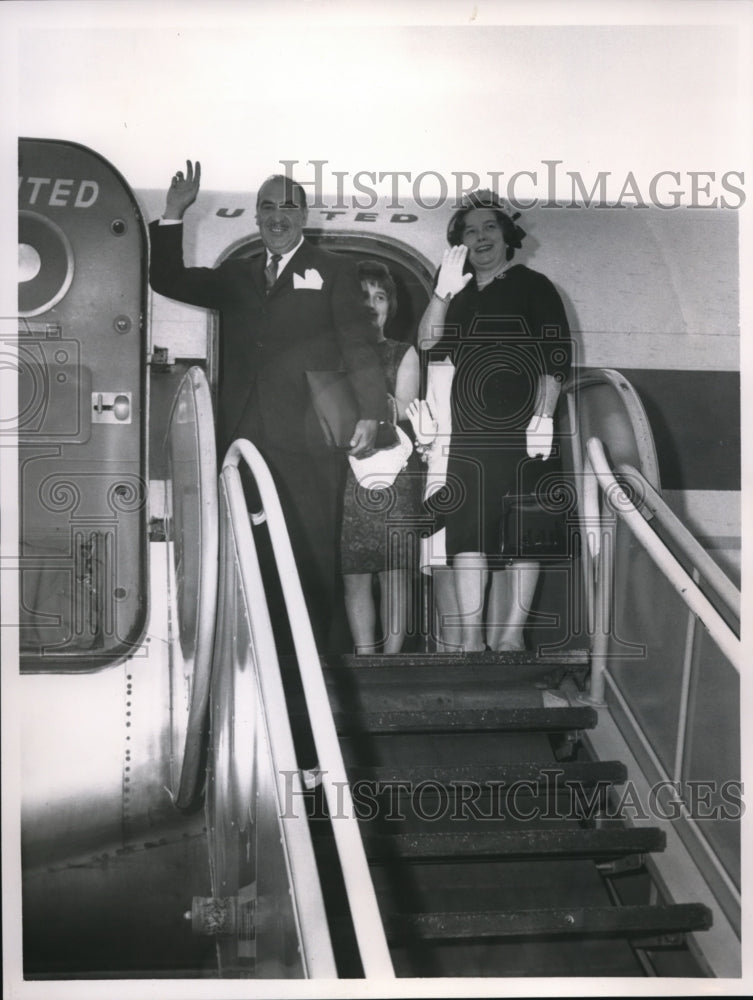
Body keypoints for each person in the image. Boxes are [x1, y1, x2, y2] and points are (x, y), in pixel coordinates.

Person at [149, 161, 389, 648]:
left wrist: (370, 410)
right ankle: (258, 646)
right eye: (267, 207)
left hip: (308, 433)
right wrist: (174, 213)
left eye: (287, 207)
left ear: (304, 215)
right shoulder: (235, 274)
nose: (277, 216)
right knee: (248, 538)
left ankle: (312, 650)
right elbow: (167, 279)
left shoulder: (334, 271)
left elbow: (358, 345)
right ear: (256, 218)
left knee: (311, 544)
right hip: (242, 430)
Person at [418, 189, 572, 653]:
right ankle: (469, 642)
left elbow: (557, 355)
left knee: (526, 534)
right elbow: (428, 344)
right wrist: (443, 294)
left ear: (507, 235)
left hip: (526, 430)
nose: (480, 236)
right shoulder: (458, 294)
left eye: (489, 227)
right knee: (469, 533)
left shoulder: (534, 284)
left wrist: (543, 417)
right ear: (459, 242)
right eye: (470, 230)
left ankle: (508, 640)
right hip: (471, 433)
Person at [340, 261, 422, 654]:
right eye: (363, 297)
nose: (372, 305)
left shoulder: (404, 353)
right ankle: (365, 655)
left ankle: (392, 658)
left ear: (390, 306)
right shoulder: (333, 350)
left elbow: (405, 408)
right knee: (353, 571)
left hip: (393, 472)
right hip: (347, 474)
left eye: (380, 296)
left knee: (395, 570)